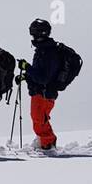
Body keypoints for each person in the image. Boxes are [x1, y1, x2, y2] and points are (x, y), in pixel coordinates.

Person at [23, 18, 62, 151]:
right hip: (41, 92)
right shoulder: (43, 50)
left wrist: (27, 67)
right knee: (39, 120)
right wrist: (26, 76)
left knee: (39, 120)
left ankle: (48, 145)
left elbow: (43, 78)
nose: (32, 36)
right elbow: (39, 73)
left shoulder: (48, 52)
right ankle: (46, 144)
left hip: (44, 93)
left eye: (33, 33)